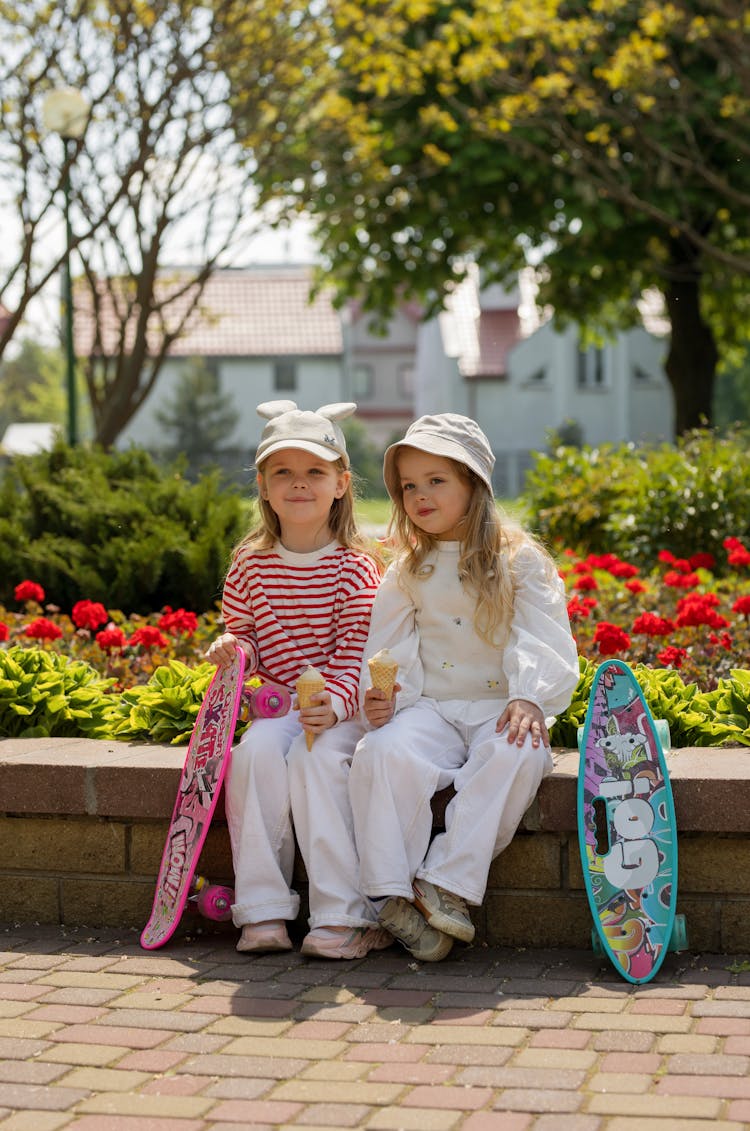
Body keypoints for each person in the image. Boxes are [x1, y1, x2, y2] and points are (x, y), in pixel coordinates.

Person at [348, 413, 579, 961]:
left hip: (502, 705)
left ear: (473, 484)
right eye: (408, 486)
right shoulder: (406, 569)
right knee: (380, 750)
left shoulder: (518, 559)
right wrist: (385, 695)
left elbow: (541, 635)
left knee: (519, 753)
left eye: (436, 481)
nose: (419, 496)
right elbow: (389, 648)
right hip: (432, 708)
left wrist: (529, 695)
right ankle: (389, 892)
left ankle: (444, 882)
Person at [206, 400, 391, 960]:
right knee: (255, 754)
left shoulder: (353, 565)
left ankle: (342, 916)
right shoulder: (250, 563)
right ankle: (262, 911)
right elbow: (247, 635)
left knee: (316, 760)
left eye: (314, 471)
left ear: (340, 483)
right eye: (282, 472)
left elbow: (357, 649)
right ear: (263, 485)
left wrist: (333, 706)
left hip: (343, 708)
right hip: (279, 709)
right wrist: (233, 648)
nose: (298, 484)